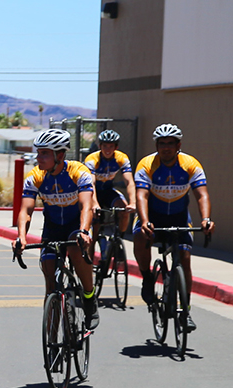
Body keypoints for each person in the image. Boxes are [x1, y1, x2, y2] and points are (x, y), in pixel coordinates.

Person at [15, 128, 100, 330]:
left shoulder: (79, 172)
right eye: (38, 152)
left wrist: (84, 232)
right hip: (52, 228)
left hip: (74, 226)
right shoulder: (35, 176)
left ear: (59, 155)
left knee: (77, 252)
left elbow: (85, 206)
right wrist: (21, 237)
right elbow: (25, 210)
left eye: (44, 153)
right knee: (50, 278)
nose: (38, 157)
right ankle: (52, 335)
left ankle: (89, 297)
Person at [132, 123, 214, 331]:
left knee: (185, 260)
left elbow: (202, 194)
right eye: (161, 143)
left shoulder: (190, 164)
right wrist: (144, 221)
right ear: (157, 145)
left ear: (178, 145)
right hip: (152, 215)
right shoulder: (147, 164)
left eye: (170, 143)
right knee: (140, 237)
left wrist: (206, 219)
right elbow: (141, 195)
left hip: (179, 216)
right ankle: (147, 277)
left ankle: (185, 311)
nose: (166, 147)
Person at [84, 129, 136, 260]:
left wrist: (133, 202)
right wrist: (94, 204)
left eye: (111, 146)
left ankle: (118, 240)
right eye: (105, 146)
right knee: (95, 225)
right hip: (93, 192)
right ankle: (89, 259)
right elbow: (91, 185)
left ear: (116, 147)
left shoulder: (121, 158)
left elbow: (129, 181)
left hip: (108, 190)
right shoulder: (92, 159)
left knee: (123, 210)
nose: (108, 149)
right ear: (100, 146)